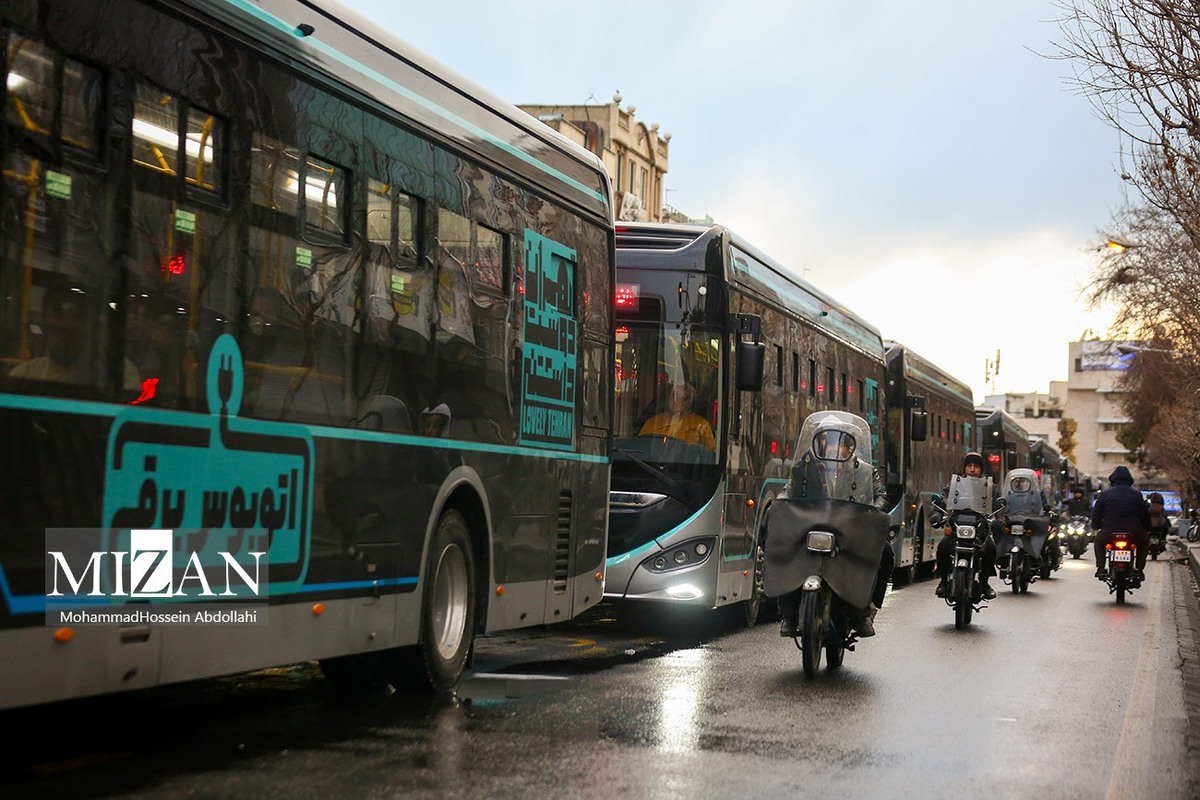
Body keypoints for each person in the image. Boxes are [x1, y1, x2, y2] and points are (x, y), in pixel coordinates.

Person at [776, 417, 891, 638]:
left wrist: (875, 509)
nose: (832, 445)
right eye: (827, 440)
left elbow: (880, 495)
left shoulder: (865, 470)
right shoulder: (804, 467)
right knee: (785, 549)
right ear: (819, 443)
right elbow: (788, 489)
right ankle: (788, 615)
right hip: (811, 526)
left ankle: (865, 611)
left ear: (848, 445)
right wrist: (781, 502)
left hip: (851, 529)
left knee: (885, 552)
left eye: (838, 441)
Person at [8, 283, 141, 395]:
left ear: (87, 328)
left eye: (70, 332)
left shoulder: (120, 374)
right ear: (46, 328)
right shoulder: (25, 375)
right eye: (57, 331)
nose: (62, 340)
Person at [934, 452, 1000, 600]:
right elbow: (944, 497)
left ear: (981, 469)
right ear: (964, 468)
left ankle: (984, 583)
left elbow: (999, 504)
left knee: (991, 548)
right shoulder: (954, 484)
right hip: (958, 525)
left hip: (980, 528)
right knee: (943, 546)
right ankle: (944, 581)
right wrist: (937, 513)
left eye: (975, 466)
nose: (972, 469)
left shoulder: (990, 487)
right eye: (969, 466)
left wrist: (1000, 519)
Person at [1090, 465, 1150, 584]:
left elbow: (1096, 514)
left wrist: (1096, 526)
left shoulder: (1105, 494)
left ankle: (1101, 567)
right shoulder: (1136, 495)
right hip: (1134, 533)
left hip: (1109, 532)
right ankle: (1139, 569)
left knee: (1098, 541)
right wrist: (1147, 528)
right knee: (1144, 543)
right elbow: (1145, 515)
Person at [638, 383, 716, 449]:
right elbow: (640, 448)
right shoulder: (652, 423)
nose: (678, 401)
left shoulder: (702, 425)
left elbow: (711, 455)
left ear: (690, 401)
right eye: (675, 396)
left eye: (684, 398)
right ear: (668, 398)